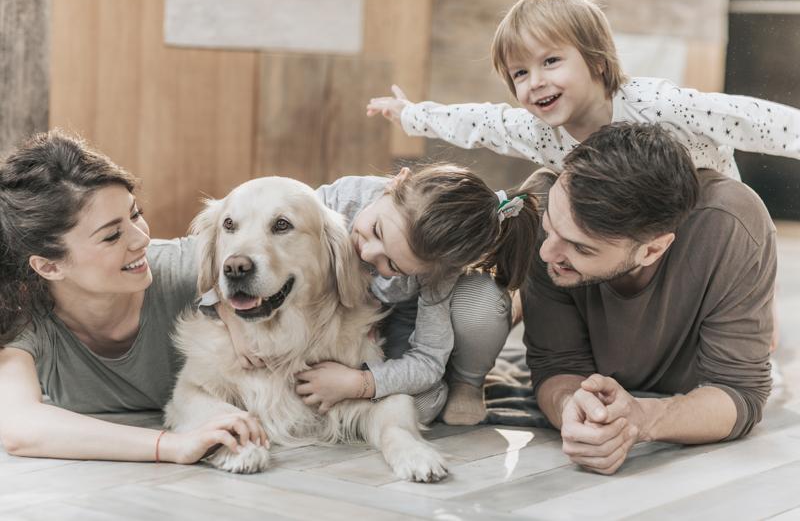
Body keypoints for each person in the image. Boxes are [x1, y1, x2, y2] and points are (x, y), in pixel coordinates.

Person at [522, 122, 775, 475]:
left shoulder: (731, 225)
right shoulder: (550, 209)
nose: (548, 252)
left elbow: (739, 392)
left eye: (580, 247)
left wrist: (643, 418)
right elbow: (556, 365)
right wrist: (572, 408)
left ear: (652, 249)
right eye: (550, 227)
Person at [0, 130, 267, 463]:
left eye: (136, 213)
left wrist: (235, 305)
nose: (141, 238)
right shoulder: (25, 318)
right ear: (49, 267)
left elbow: (330, 203)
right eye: (112, 235)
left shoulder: (189, 269)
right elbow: (20, 428)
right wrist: (171, 446)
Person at [219, 163, 540, 426]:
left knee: (423, 405)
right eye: (376, 230)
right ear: (395, 183)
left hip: (399, 318)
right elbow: (225, 253)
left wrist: (359, 384)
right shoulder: (332, 203)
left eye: (392, 265)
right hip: (343, 319)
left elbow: (427, 360)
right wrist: (232, 320)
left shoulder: (438, 274)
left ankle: (467, 383)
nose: (368, 252)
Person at [366, 0, 800, 181]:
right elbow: (484, 122)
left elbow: (746, 118)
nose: (535, 82)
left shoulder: (656, 105)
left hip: (705, 205)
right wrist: (411, 114)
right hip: (631, 225)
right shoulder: (540, 131)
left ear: (595, 61)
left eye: (550, 61)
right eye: (520, 73)